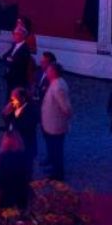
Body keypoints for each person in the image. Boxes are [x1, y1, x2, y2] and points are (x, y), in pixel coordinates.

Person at [38, 53, 73, 183]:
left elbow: (66, 108)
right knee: (54, 149)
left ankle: (58, 174)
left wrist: (64, 120)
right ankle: (55, 169)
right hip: (52, 123)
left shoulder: (58, 87)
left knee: (56, 149)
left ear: (53, 73)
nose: (46, 72)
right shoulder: (56, 83)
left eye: (48, 71)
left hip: (55, 125)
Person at [0, 126, 32, 209]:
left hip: (7, 194)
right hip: (22, 193)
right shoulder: (24, 155)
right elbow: (28, 173)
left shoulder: (3, 156)